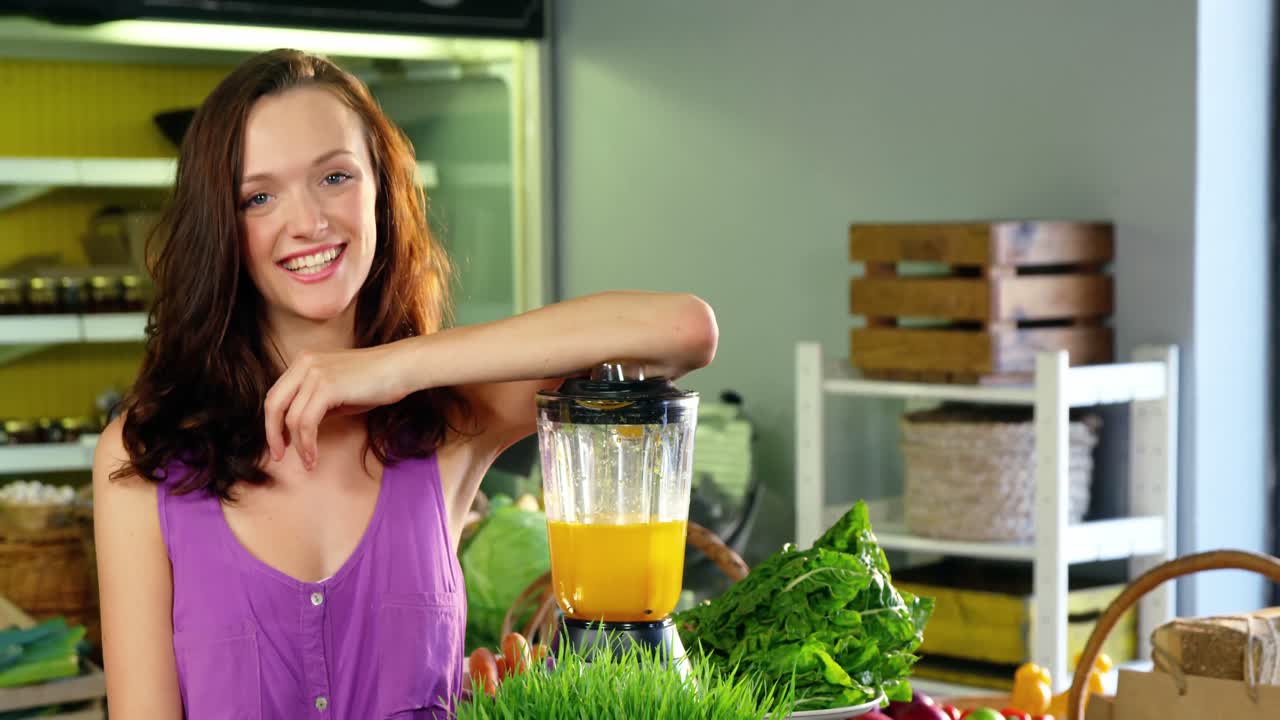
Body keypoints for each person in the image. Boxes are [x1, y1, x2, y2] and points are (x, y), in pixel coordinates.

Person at [92, 48, 717, 719]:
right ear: (221, 225)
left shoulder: (452, 420)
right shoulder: (144, 457)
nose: (309, 221)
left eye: (335, 177)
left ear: (382, 191)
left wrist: (393, 366)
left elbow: (681, 329)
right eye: (260, 196)